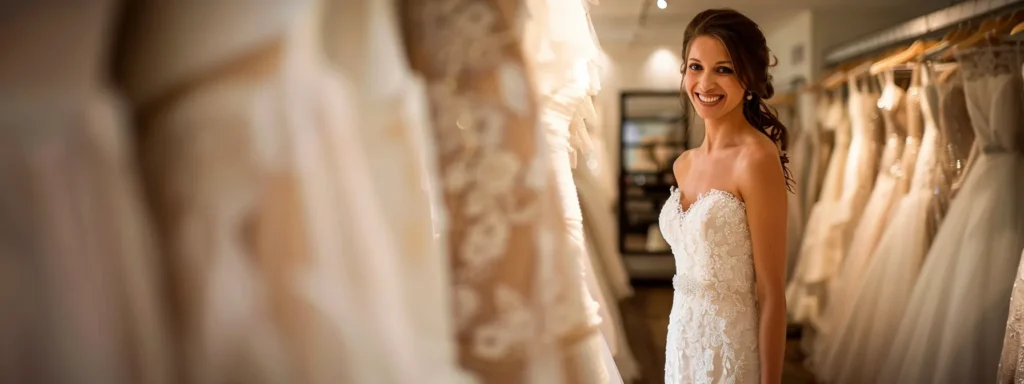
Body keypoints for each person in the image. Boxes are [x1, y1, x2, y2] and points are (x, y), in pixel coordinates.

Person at [657, 8, 789, 384]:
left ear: (749, 78)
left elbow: (772, 293)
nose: (706, 83)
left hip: (732, 351)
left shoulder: (757, 158)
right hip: (681, 339)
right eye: (696, 67)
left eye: (724, 69)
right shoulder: (684, 164)